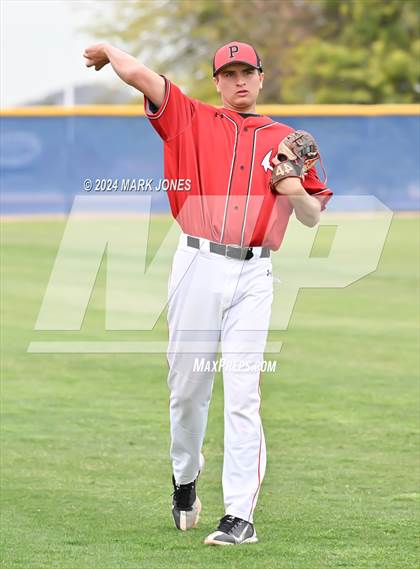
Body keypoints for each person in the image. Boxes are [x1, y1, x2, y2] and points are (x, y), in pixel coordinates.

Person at [84, 40, 333, 546]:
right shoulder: (189, 118)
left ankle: (239, 516)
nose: (240, 80)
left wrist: (291, 185)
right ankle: (185, 479)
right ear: (217, 82)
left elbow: (312, 217)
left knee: (244, 393)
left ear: (262, 78)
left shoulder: (288, 140)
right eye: (230, 73)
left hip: (255, 275)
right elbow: (142, 77)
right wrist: (111, 51)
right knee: (187, 391)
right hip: (197, 262)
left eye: (248, 71)